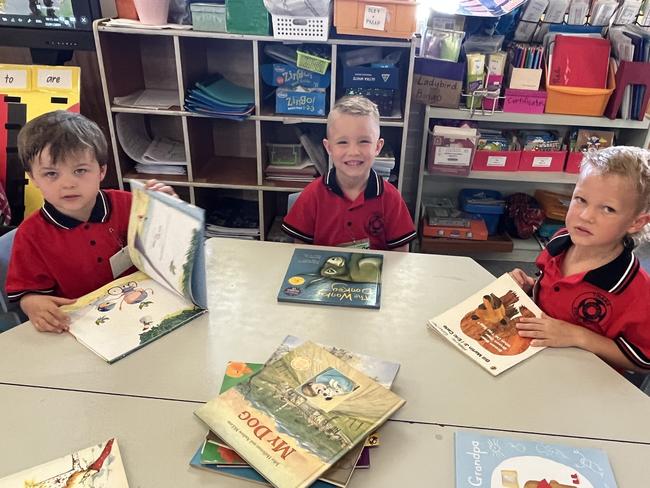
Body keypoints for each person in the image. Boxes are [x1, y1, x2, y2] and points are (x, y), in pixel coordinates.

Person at [6, 110, 177, 333]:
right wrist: (33, 304)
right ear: (33, 178)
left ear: (101, 171)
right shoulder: (30, 235)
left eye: (80, 171)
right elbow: (28, 293)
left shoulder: (131, 204)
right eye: (51, 174)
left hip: (147, 310)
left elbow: (168, 250)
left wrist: (168, 212)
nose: (68, 184)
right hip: (81, 327)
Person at [510, 146, 650, 373]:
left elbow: (642, 360)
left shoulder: (638, 291)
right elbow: (556, 293)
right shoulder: (560, 241)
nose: (585, 216)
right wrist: (529, 286)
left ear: (636, 222)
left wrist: (578, 336)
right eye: (581, 199)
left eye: (607, 209)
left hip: (583, 385)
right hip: (531, 360)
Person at [282, 96, 416, 251]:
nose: (353, 152)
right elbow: (300, 253)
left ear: (378, 147)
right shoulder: (312, 196)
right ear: (329, 147)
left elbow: (400, 256)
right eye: (342, 142)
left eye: (364, 141)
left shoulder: (392, 199)